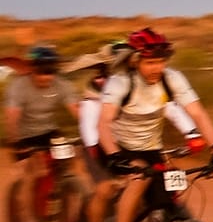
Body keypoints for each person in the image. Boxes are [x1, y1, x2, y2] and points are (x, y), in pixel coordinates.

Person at [90, 29, 213, 222]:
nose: (157, 68)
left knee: (169, 193)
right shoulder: (121, 82)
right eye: (150, 62)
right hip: (115, 147)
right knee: (139, 179)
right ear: (135, 61)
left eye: (161, 61)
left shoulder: (172, 79)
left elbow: (198, 113)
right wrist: (114, 155)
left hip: (150, 148)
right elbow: (103, 123)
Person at [68, 45, 197, 181]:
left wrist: (191, 133)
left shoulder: (143, 89)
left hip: (141, 147)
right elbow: (90, 128)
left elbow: (171, 109)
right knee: (109, 186)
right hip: (103, 149)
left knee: (160, 177)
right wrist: (99, 150)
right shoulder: (92, 101)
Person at [6, 44, 82, 199]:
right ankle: (24, 210)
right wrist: (16, 142)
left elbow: (77, 111)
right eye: (41, 71)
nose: (46, 76)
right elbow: (12, 116)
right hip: (23, 135)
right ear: (32, 69)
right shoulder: (19, 86)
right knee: (31, 174)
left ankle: (61, 191)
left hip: (48, 130)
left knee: (69, 161)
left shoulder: (62, 85)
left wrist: (90, 133)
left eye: (50, 71)